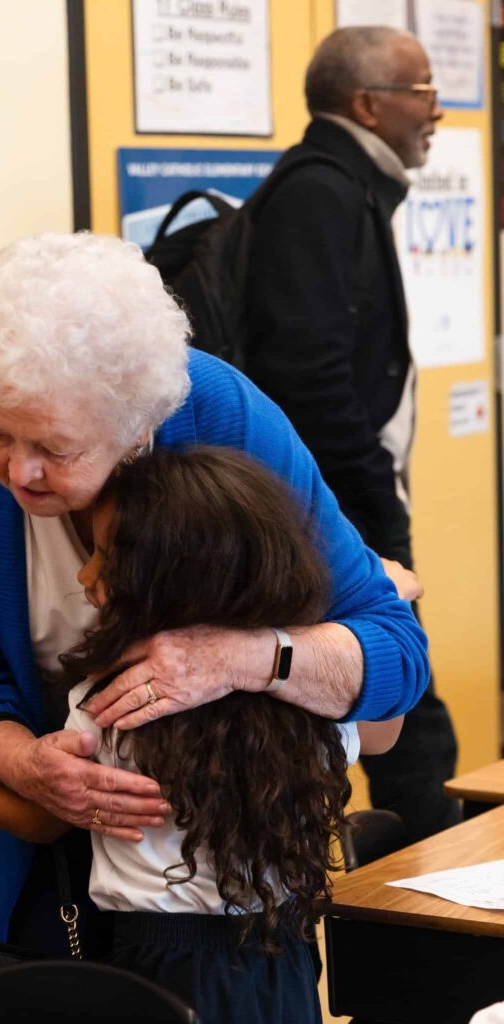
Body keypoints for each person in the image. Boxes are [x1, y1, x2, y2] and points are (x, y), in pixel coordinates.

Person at [0, 231, 428, 954]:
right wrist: (24, 762)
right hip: (50, 888)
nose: (18, 473)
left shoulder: (224, 419)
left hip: (229, 900)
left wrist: (243, 659)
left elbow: (395, 656)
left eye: (54, 449)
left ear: (136, 429)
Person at [0, 445, 405, 1021]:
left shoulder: (109, 707)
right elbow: (384, 730)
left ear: (162, 588)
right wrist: (385, 597)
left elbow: (41, 819)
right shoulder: (307, 716)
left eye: (104, 558)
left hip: (157, 968)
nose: (84, 575)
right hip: (282, 961)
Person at [244, 26, 459, 843]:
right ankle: (433, 938)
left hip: (337, 496)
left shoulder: (341, 184)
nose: (434, 111)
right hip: (330, 503)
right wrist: (374, 494)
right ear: (368, 103)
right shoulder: (321, 192)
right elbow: (308, 375)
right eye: (424, 91)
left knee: (405, 717)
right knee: (408, 716)